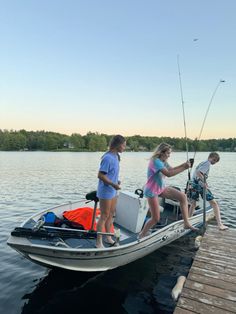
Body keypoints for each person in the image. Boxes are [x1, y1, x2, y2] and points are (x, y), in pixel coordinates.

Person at [139, 143, 198, 238]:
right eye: (168, 153)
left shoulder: (163, 161)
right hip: (152, 191)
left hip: (161, 188)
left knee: (183, 197)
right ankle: (142, 235)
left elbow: (171, 169)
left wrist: (184, 164)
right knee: (155, 218)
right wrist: (184, 168)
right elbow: (169, 174)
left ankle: (186, 223)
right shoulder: (155, 161)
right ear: (161, 152)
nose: (169, 155)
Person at [96, 135, 126, 248]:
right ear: (118, 145)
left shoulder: (116, 156)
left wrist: (116, 181)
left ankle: (108, 237)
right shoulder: (107, 157)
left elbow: (111, 173)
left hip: (113, 190)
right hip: (106, 191)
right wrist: (113, 184)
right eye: (123, 145)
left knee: (111, 214)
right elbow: (100, 175)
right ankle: (98, 242)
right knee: (104, 215)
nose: (124, 147)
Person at [188, 152, 228, 231]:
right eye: (214, 160)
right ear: (210, 157)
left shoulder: (203, 162)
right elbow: (198, 172)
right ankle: (220, 225)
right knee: (214, 203)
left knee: (193, 203)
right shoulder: (207, 163)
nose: (214, 162)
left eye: (216, 161)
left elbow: (197, 172)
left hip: (193, 184)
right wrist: (204, 182)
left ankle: (188, 221)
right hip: (200, 185)